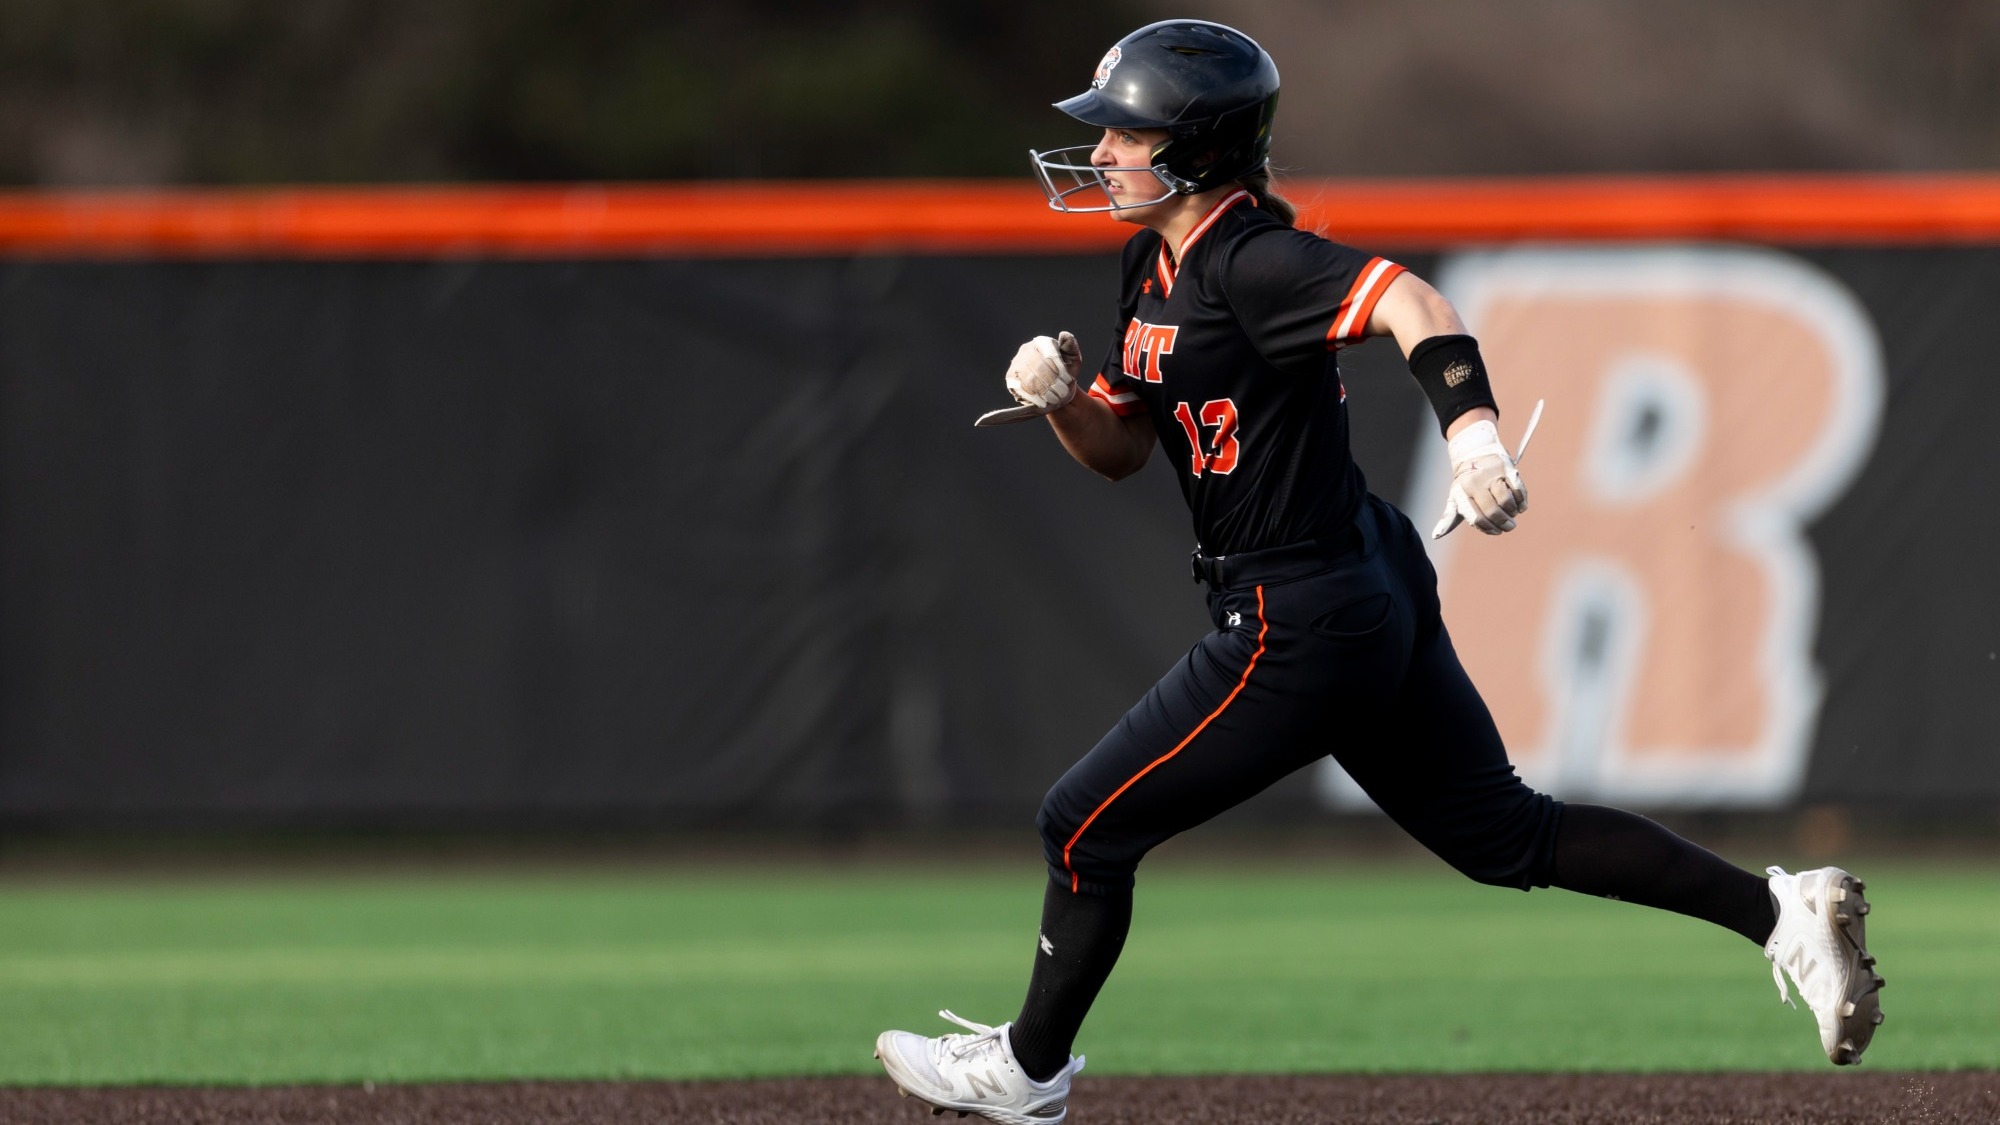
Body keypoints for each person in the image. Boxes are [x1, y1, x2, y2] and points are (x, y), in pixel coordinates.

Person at [874, 20, 1883, 1125]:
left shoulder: (1251, 258)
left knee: (1080, 824)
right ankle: (1780, 914)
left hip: (1295, 612)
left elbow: (1414, 303)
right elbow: (1121, 450)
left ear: (1196, 148)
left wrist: (1474, 439)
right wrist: (1067, 402)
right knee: (1507, 836)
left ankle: (1026, 1070)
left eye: (1126, 131)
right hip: (1356, 581)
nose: (1103, 150)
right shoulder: (1150, 260)